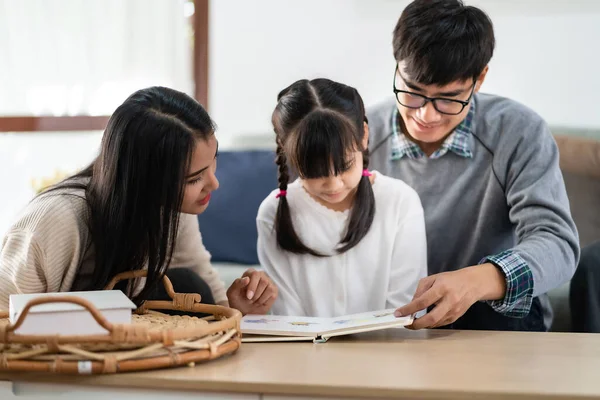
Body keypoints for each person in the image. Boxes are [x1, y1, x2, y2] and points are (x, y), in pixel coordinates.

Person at [366, 0, 579, 331]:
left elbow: (556, 242)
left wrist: (479, 280)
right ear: (397, 67)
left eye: (448, 99)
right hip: (390, 310)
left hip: (493, 313)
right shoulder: (358, 134)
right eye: (413, 92)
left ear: (479, 80)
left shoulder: (519, 131)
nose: (426, 114)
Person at [0, 86, 277, 315]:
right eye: (194, 179)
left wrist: (241, 308)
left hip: (123, 348)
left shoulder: (171, 209)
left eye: (213, 162)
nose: (214, 184)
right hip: (57, 360)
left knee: (189, 284)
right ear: (145, 181)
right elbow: (5, 314)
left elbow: (213, 302)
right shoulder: (57, 220)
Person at [256, 78, 427, 317]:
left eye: (345, 166)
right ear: (288, 152)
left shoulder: (400, 201)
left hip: (391, 350)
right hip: (304, 353)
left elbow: (407, 310)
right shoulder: (273, 212)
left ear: (364, 135)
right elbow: (287, 319)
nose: (334, 183)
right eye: (315, 172)